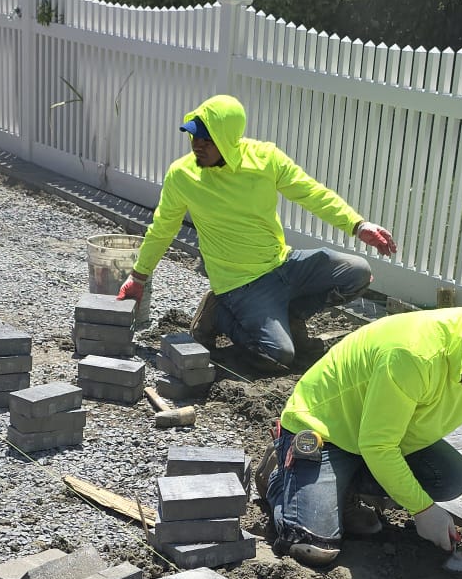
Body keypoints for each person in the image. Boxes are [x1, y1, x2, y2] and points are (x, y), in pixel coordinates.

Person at [264, 296, 462, 568]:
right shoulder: (414, 354)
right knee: (313, 548)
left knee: (449, 477)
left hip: (380, 434)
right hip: (326, 429)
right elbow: (379, 445)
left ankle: (342, 492)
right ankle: (279, 478)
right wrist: (422, 510)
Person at [119, 94, 396, 371]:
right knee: (278, 356)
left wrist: (358, 225)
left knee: (358, 273)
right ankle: (220, 313)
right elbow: (162, 229)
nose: (197, 146)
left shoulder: (265, 159)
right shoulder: (182, 176)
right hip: (241, 285)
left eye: (206, 140)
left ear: (227, 139)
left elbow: (312, 193)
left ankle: (288, 316)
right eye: (193, 137)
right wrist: (139, 277)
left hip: (283, 264)